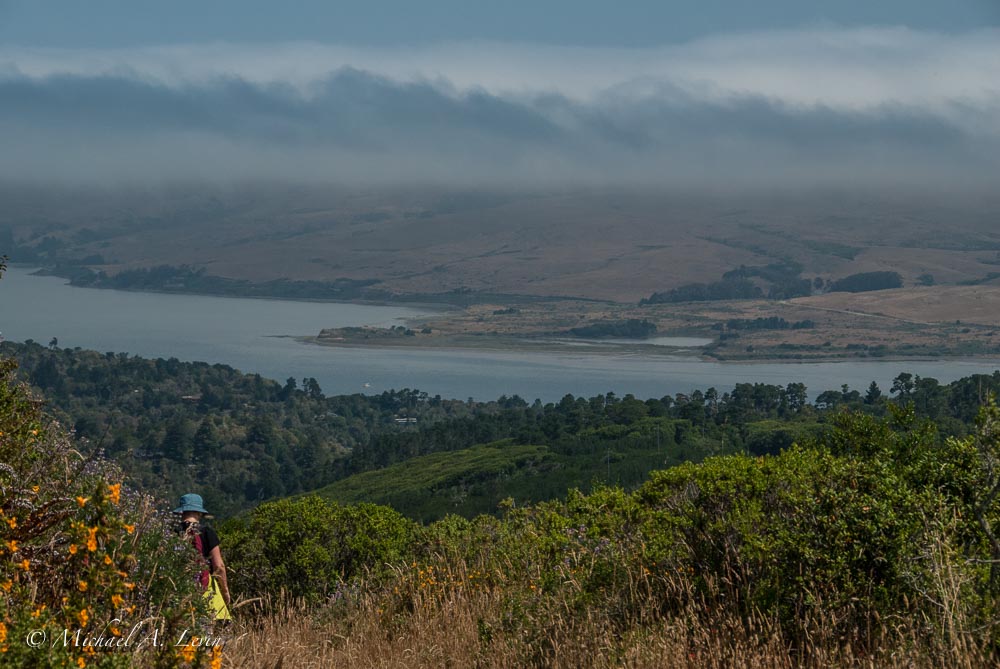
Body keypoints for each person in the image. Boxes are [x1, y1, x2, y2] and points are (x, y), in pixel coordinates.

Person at [173, 493, 232, 621]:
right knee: (212, 632)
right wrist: (225, 591)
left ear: (182, 512)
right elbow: (219, 566)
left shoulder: (173, 532)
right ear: (199, 513)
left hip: (178, 588)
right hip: (205, 586)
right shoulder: (207, 533)